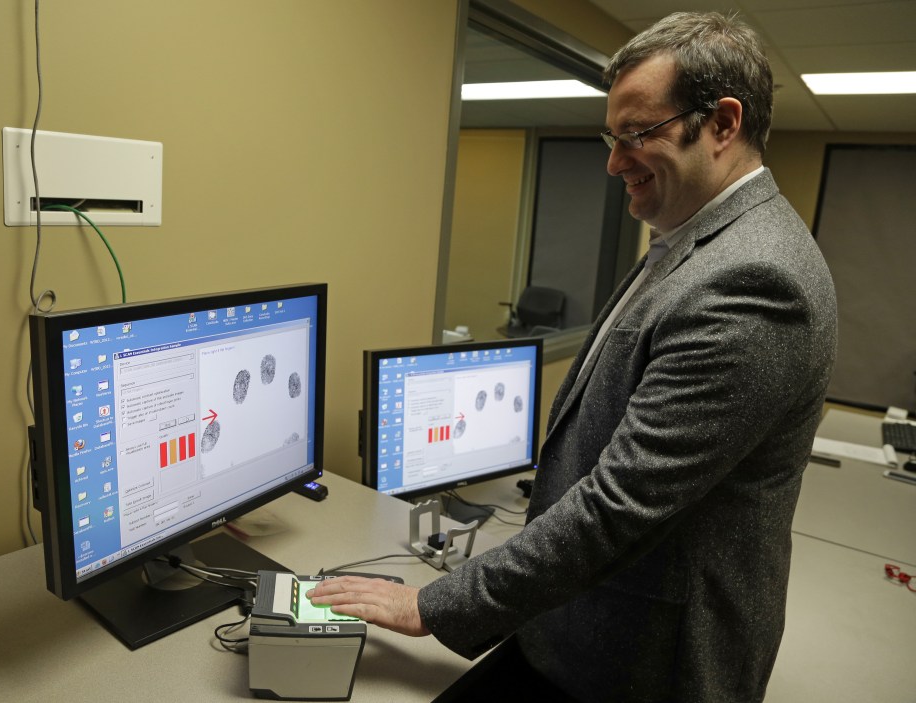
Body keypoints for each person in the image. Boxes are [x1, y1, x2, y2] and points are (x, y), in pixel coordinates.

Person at [309, 11, 837, 702]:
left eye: (637, 135)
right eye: (609, 137)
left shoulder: (754, 280)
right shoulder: (693, 236)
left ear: (724, 123)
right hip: (582, 620)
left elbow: (618, 507)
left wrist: (429, 605)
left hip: (642, 660)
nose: (615, 162)